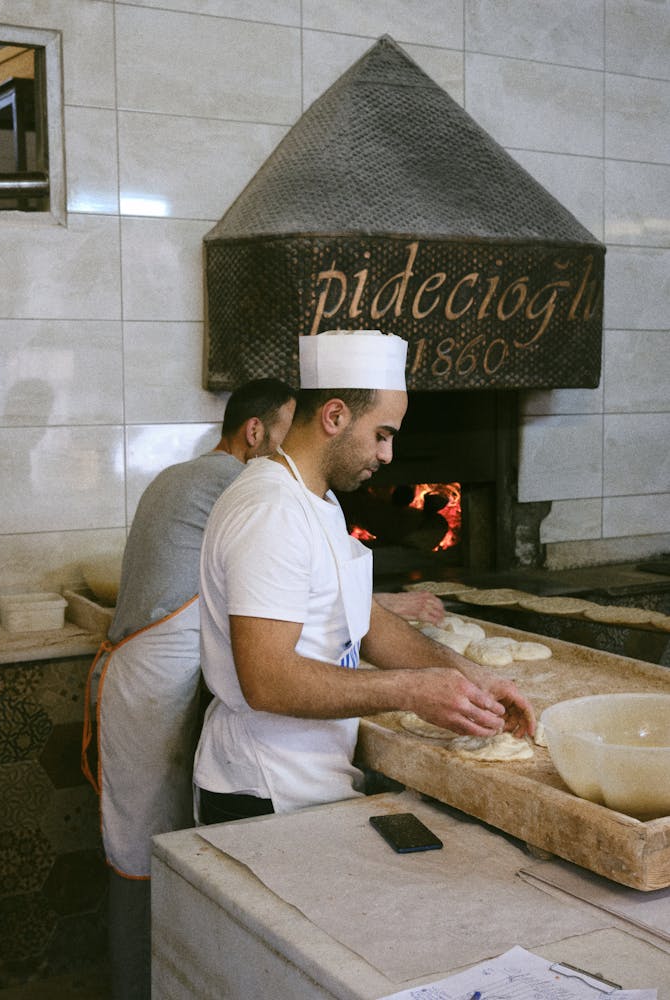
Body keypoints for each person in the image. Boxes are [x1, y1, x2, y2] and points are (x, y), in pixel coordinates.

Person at [193, 330, 535, 825]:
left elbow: (363, 619)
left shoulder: (320, 500)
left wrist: (473, 677)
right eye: (382, 434)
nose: (388, 456)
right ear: (334, 416)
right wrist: (412, 691)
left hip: (313, 778)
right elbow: (266, 680)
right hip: (266, 789)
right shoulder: (270, 510)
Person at [81, 377, 296, 1000]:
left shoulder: (180, 475)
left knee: (154, 845)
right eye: (287, 435)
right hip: (149, 688)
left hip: (142, 680)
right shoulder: (241, 485)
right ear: (254, 432)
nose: (289, 455)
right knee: (144, 850)